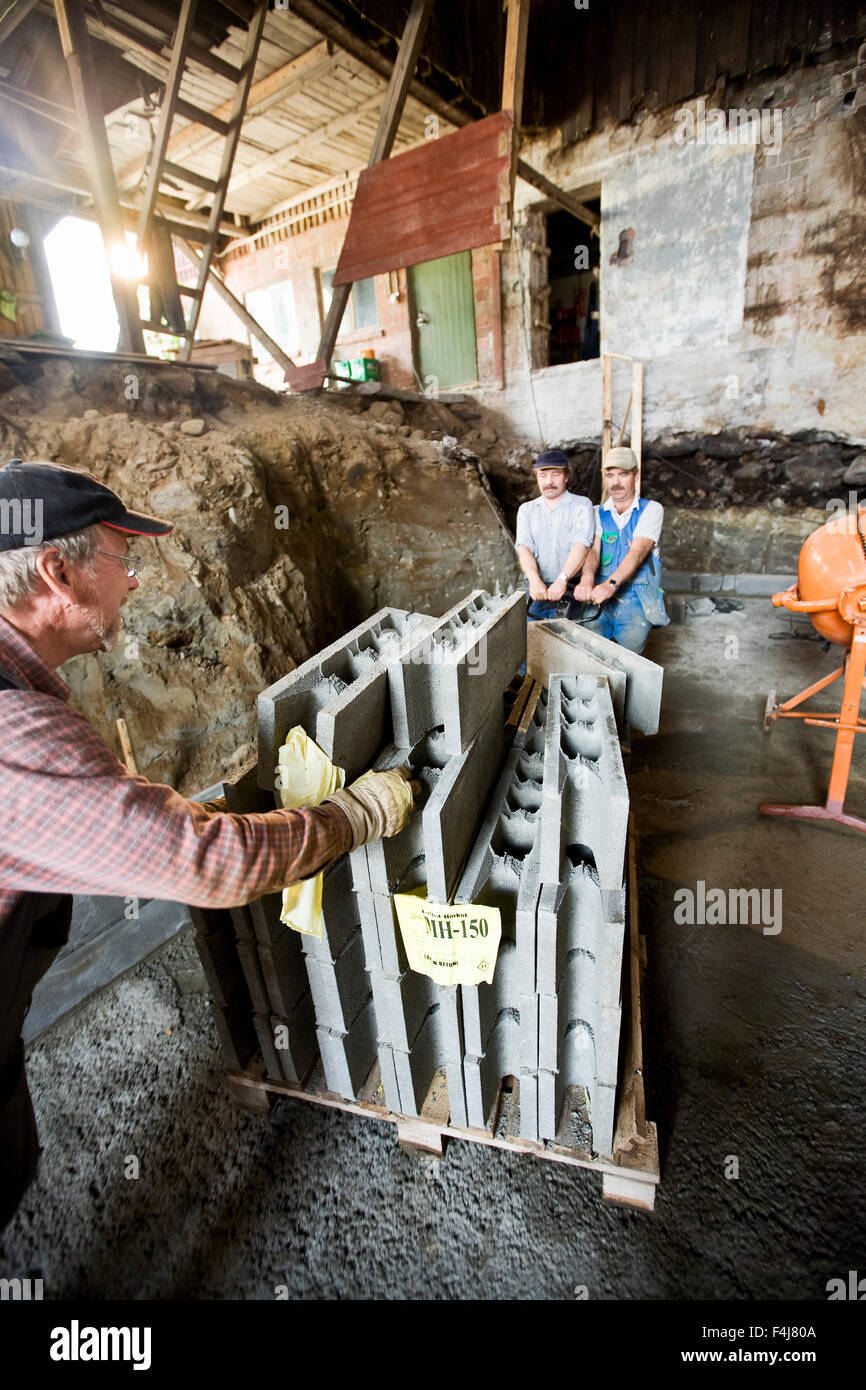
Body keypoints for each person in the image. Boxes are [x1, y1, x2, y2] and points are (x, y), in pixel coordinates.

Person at [0, 459, 417, 1228]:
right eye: (123, 562)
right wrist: (354, 814)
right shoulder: (16, 733)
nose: (132, 584)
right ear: (57, 570)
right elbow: (212, 863)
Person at [572, 446, 670, 654]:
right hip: (599, 595)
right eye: (610, 475)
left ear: (635, 475)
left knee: (628, 656)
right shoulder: (597, 512)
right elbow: (593, 550)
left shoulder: (652, 510)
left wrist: (611, 584)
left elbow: (637, 552)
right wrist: (587, 578)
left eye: (623, 475)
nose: (616, 482)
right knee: (592, 652)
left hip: (637, 597)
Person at [515, 449, 594, 624]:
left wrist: (562, 580)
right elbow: (524, 548)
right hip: (537, 588)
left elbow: (581, 545)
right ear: (537, 477)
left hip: (570, 588)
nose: (549, 481)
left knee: (565, 642)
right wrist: (534, 580)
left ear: (566, 476)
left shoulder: (581, 506)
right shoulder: (526, 510)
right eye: (543, 475)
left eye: (555, 474)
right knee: (532, 640)